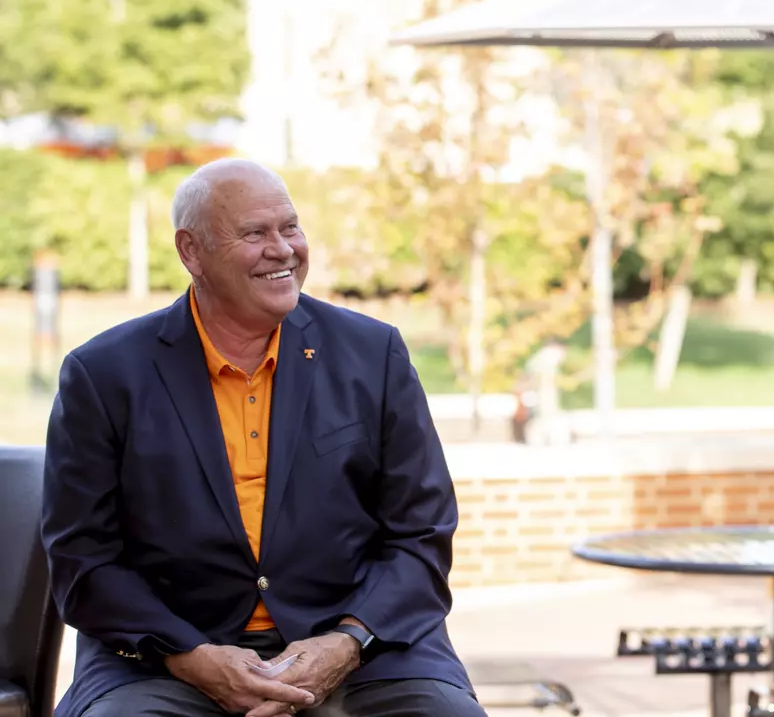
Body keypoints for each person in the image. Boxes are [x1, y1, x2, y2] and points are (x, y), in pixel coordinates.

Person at [42, 159, 483, 717]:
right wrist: (191, 655)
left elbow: (422, 535)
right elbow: (83, 559)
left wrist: (347, 642)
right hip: (167, 657)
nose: (283, 249)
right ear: (191, 251)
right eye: (255, 233)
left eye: (290, 228)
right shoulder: (103, 374)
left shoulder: (373, 355)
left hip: (361, 650)